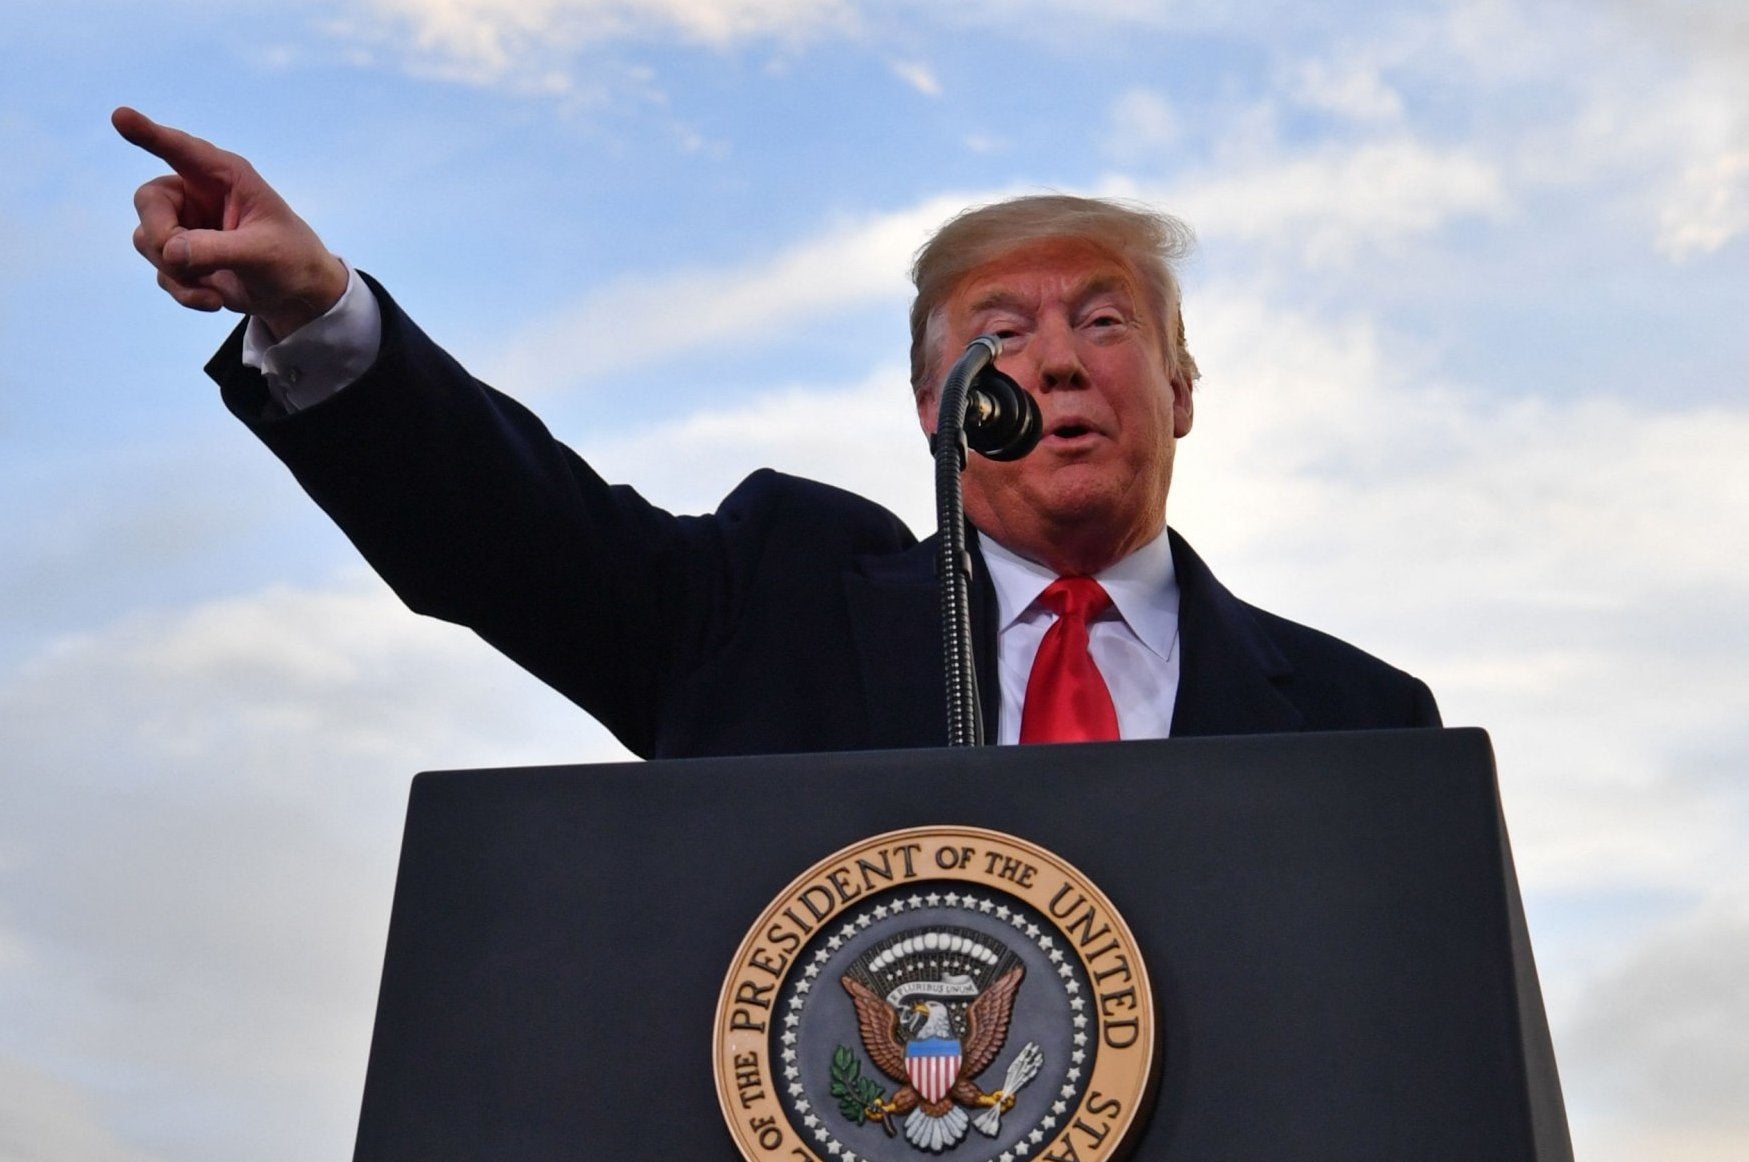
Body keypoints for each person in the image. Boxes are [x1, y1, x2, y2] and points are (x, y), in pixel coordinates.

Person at [115, 107, 1440, 758]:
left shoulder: (1363, 724)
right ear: (936, 408)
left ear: (1181, 389)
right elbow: (511, 538)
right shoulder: (766, 602)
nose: (1050, 355)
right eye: (1000, 325)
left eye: (1101, 322)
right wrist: (318, 308)